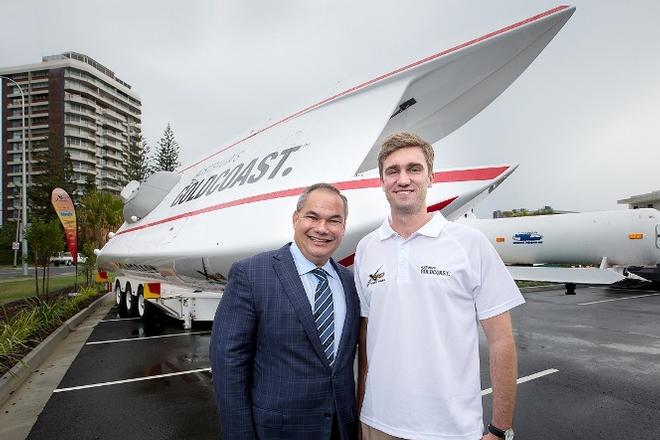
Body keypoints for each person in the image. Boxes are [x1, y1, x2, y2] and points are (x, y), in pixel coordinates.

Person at [355, 132, 524, 440]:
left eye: (413, 169)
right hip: (377, 424)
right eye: (392, 171)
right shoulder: (367, 248)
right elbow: (368, 335)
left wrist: (500, 429)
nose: (403, 179)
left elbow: (501, 341)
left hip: (451, 429)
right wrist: (360, 409)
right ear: (382, 182)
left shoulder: (469, 244)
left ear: (430, 177)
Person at [211, 183, 360, 440]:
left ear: (343, 228)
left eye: (334, 220)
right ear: (296, 218)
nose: (322, 228)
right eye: (312, 217)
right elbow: (228, 363)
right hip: (277, 431)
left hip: (340, 428)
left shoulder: (350, 281)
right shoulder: (252, 274)